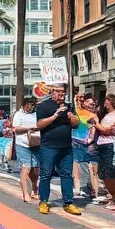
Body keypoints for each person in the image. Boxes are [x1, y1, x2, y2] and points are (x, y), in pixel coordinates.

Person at [34, 83, 82, 215]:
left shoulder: (68, 106)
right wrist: (55, 115)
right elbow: (39, 125)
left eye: (63, 92)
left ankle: (68, 202)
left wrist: (72, 118)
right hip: (48, 146)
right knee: (46, 174)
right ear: (51, 92)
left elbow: (76, 125)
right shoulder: (44, 106)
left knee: (66, 174)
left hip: (66, 146)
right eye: (58, 91)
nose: (61, 94)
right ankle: (43, 201)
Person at [92, 95, 115, 211]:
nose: (105, 104)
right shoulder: (107, 115)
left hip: (110, 145)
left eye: (107, 102)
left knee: (110, 173)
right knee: (105, 173)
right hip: (103, 145)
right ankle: (114, 197)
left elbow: (108, 130)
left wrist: (97, 124)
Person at [10, 96, 40, 203]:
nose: (30, 107)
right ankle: (25, 194)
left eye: (32, 105)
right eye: (28, 105)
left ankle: (35, 190)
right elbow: (14, 128)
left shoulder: (37, 114)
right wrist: (28, 128)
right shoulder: (19, 114)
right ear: (24, 105)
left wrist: (37, 128)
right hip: (22, 144)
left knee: (35, 169)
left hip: (36, 143)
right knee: (26, 168)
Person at [73, 94, 100, 201]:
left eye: (91, 102)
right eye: (87, 101)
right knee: (76, 164)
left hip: (89, 143)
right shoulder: (79, 111)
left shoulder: (94, 115)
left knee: (92, 167)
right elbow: (76, 104)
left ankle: (95, 190)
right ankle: (77, 188)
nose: (89, 103)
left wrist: (90, 140)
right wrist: (77, 98)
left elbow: (93, 129)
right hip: (76, 140)